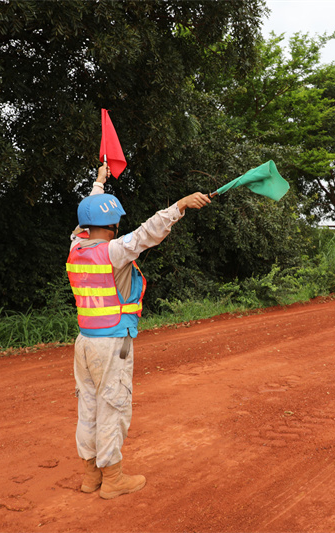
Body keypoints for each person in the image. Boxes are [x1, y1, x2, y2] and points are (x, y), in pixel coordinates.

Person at [67, 163, 210, 499]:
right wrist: (180, 206)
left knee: (87, 407)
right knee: (112, 407)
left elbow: (89, 212)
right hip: (112, 344)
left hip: (84, 343)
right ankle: (113, 479)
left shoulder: (75, 246)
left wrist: (99, 183)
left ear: (85, 225)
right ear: (114, 224)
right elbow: (147, 233)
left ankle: (91, 476)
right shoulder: (114, 252)